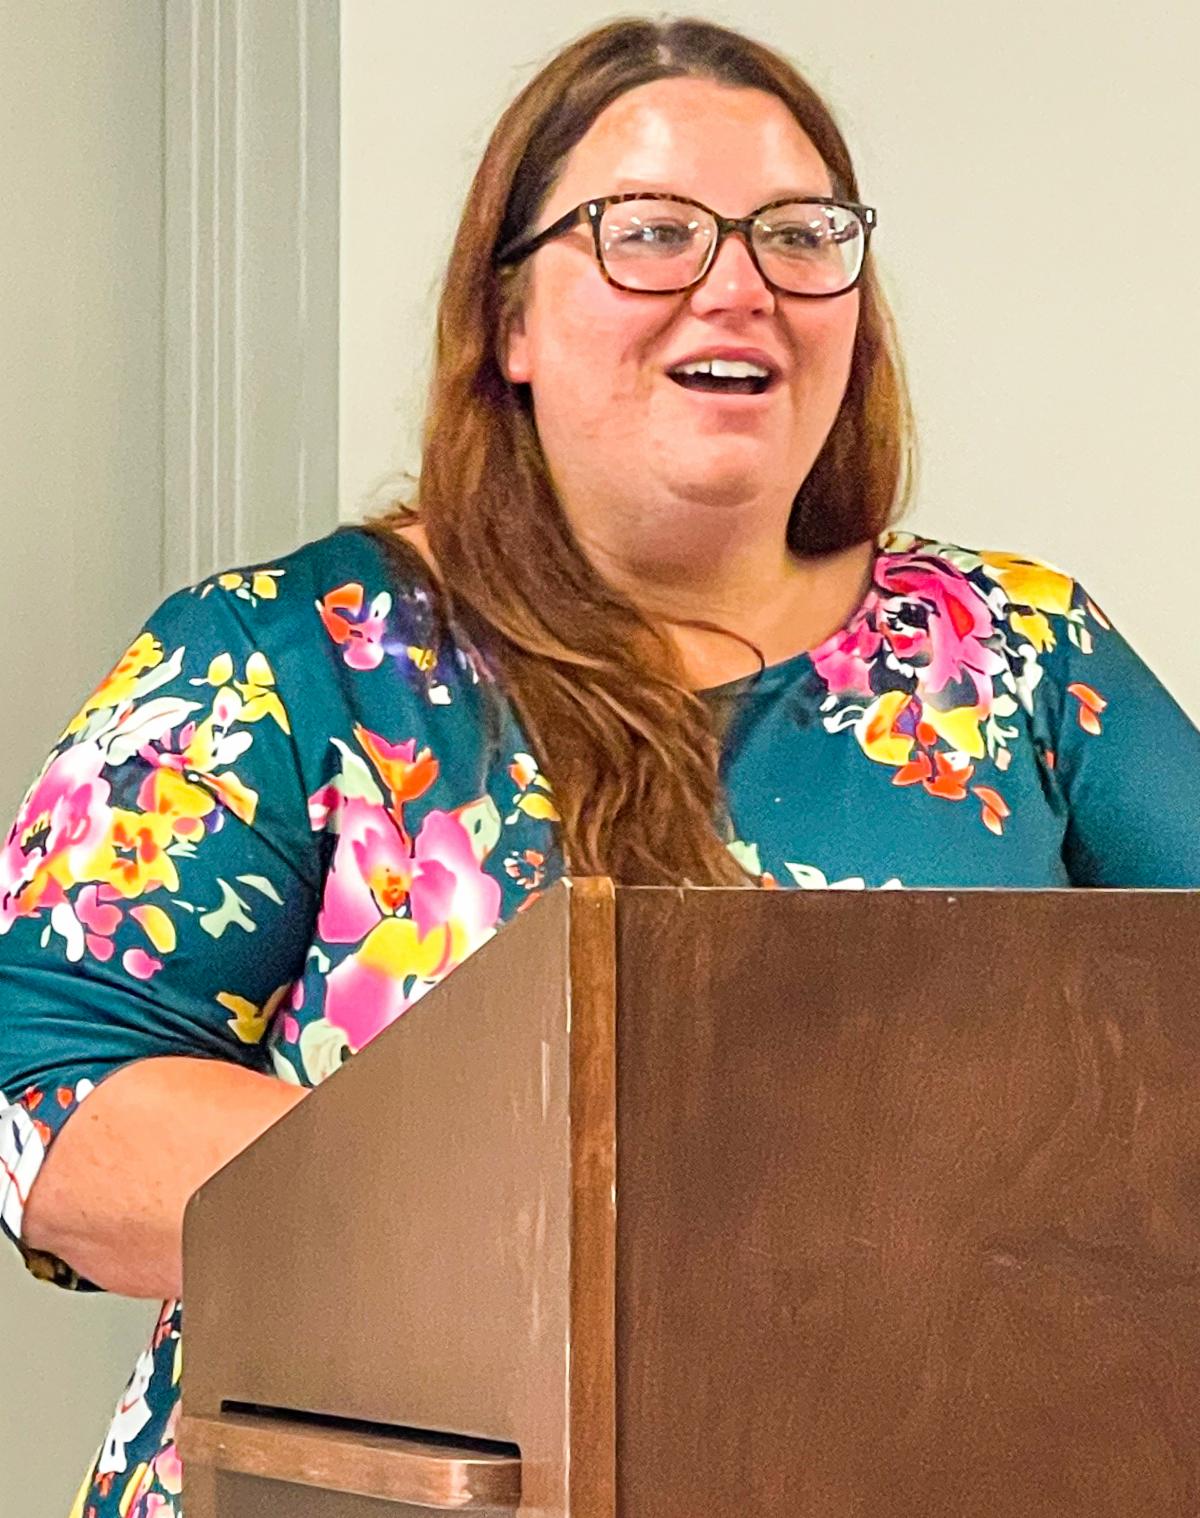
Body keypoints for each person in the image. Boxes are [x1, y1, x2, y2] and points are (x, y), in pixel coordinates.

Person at [2, 14, 1199, 1516]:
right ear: (507, 322)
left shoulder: (1025, 657)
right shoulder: (292, 652)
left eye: (800, 235)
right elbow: (47, 1104)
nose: (738, 284)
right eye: (649, 232)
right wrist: (598, 1219)